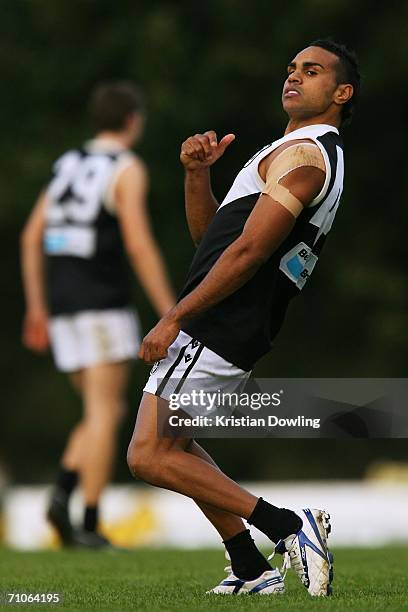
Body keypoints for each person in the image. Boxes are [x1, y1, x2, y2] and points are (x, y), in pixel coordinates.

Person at [127, 39, 360, 595]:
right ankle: (251, 568)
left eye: (313, 71)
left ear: (342, 92)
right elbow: (215, 244)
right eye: (291, 69)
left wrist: (173, 317)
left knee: (148, 456)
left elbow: (249, 254)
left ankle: (287, 525)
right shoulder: (294, 151)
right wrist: (196, 175)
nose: (294, 77)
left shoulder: (307, 156)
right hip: (236, 318)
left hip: (222, 319)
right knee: (176, 449)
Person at [21, 81, 175, 548]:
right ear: (132, 121)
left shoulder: (67, 164)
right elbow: (137, 242)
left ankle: (61, 496)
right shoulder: (125, 167)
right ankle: (88, 522)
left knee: (97, 412)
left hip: (64, 305)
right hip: (104, 305)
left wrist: (37, 307)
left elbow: (32, 237)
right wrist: (171, 309)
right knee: (105, 413)